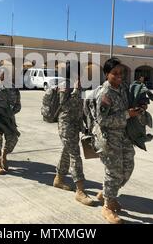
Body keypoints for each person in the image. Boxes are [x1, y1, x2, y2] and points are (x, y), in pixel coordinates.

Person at [93, 58, 143, 224]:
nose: (119, 76)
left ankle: (107, 193)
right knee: (114, 172)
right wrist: (128, 114)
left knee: (128, 168)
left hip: (124, 136)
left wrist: (139, 107)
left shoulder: (123, 88)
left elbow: (130, 104)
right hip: (109, 138)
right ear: (107, 74)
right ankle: (108, 206)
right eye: (115, 73)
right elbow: (103, 121)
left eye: (121, 73)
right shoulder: (104, 94)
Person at [53, 62, 95, 206]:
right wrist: (76, 90)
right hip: (65, 125)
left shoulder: (80, 86)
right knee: (75, 155)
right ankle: (80, 190)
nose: (83, 74)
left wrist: (85, 124)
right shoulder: (65, 85)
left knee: (67, 151)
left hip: (75, 124)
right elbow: (64, 106)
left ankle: (58, 179)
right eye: (80, 71)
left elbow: (81, 106)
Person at [0, 69, 21, 175]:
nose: (4, 77)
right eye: (2, 75)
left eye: (7, 75)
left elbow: (18, 104)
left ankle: (4, 155)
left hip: (9, 118)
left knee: (13, 138)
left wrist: (11, 112)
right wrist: (3, 113)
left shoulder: (14, 89)